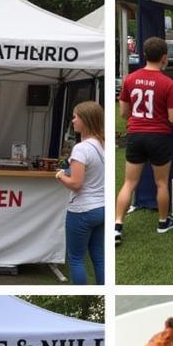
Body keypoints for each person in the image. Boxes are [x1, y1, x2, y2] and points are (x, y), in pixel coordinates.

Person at [115, 37, 173, 245]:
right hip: (158, 136)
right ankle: (163, 222)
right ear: (164, 58)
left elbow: (124, 112)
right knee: (161, 183)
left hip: (135, 134)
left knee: (129, 183)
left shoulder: (129, 79)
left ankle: (117, 226)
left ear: (144, 55)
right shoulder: (168, 84)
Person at [55, 100, 105, 284]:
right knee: (99, 258)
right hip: (101, 207)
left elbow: (76, 183)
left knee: (76, 258)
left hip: (82, 209)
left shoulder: (81, 148)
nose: (73, 121)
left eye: (75, 117)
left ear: (85, 120)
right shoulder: (102, 145)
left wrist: (61, 175)